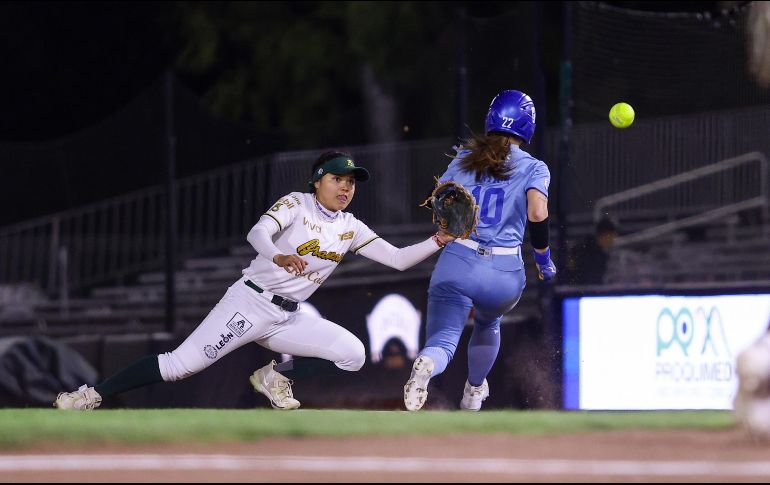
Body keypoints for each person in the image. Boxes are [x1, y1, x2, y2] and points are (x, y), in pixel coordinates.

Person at [54, 150, 457, 411]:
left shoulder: (350, 226)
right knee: (179, 366)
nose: (346, 186)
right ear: (318, 180)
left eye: (351, 181)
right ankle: (91, 395)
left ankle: (274, 376)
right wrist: (279, 254)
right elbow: (257, 234)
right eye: (338, 178)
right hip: (250, 304)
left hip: (288, 318)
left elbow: (399, 260)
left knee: (352, 354)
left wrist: (440, 239)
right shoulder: (296, 205)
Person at [403, 89, 557, 412]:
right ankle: (473, 391)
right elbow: (538, 214)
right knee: (489, 322)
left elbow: (438, 198)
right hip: (502, 271)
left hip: (458, 258)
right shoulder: (534, 167)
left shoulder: (464, 158)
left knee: (443, 341)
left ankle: (427, 365)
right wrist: (543, 259)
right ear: (528, 127)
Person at [563, 216, 617, 285]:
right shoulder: (588, 252)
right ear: (604, 235)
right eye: (611, 236)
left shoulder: (595, 251)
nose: (612, 240)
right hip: (580, 291)